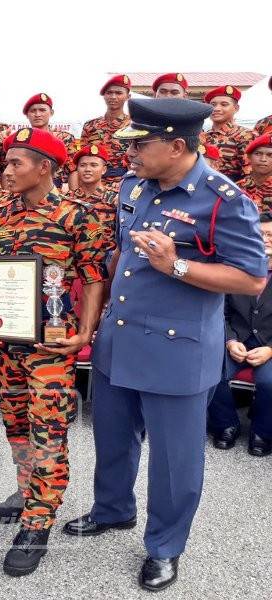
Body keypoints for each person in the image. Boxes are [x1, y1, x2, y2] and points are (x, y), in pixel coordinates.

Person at [63, 97, 267, 592]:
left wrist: (176, 266)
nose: (129, 152)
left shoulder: (223, 200)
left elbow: (251, 279)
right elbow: (120, 252)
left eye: (141, 144)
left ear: (177, 146)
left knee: (175, 459)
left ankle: (165, 546)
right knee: (112, 435)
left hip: (178, 348)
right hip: (123, 336)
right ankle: (113, 510)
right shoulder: (135, 186)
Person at [0, 128, 108, 576]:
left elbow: (92, 277)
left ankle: (38, 521)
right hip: (8, 342)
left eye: (16, 164)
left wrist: (85, 331)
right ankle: (28, 489)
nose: (6, 171)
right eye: (6, 163)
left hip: (51, 343)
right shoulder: (0, 213)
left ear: (44, 167)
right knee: (16, 424)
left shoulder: (76, 216)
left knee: (48, 428)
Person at [207, 212, 272, 457]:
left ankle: (263, 433)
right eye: (261, 234)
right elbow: (219, 311)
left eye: (270, 235)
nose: (265, 239)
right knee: (212, 372)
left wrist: (270, 349)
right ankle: (225, 424)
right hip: (238, 339)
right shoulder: (236, 270)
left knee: (269, 382)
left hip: (269, 345)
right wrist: (230, 339)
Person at [77, 75, 132, 188]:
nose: (113, 96)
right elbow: (83, 158)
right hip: (93, 184)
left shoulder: (133, 125)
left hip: (123, 183)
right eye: (109, 93)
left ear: (128, 96)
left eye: (118, 93)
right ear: (104, 96)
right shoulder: (90, 125)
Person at [22, 93, 77, 187]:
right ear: (27, 115)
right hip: (27, 189)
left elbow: (73, 170)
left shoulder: (65, 138)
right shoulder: (21, 140)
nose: (37, 114)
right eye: (33, 111)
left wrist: (73, 195)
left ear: (51, 113)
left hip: (55, 190)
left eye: (42, 110)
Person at [71, 144, 119, 246]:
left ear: (104, 170)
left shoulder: (115, 199)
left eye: (94, 165)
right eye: (83, 165)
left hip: (107, 259)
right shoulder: (68, 199)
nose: (87, 169)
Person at [203, 85, 253, 182]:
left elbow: (250, 174)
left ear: (236, 108)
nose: (216, 108)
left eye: (224, 104)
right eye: (213, 105)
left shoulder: (245, 135)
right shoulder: (203, 136)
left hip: (230, 190)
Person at [237, 134, 272, 214]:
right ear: (249, 157)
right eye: (258, 154)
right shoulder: (237, 188)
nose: (263, 159)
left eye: (270, 155)